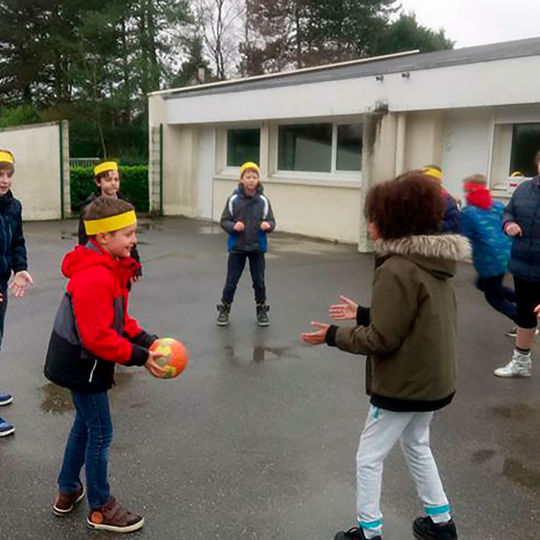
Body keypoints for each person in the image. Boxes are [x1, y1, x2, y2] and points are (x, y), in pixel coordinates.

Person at [301, 171, 468, 540]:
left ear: (392, 220)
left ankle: (369, 531)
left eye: (373, 216)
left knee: (369, 456)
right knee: (417, 445)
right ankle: (441, 523)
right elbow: (414, 318)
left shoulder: (396, 267)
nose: (369, 224)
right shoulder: (432, 264)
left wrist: (332, 335)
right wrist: (362, 313)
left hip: (404, 384)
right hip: (433, 380)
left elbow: (383, 338)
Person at [44, 197, 165, 533]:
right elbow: (97, 338)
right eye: (127, 233)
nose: (134, 239)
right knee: (100, 432)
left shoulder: (111, 266)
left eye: (134, 232)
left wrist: (148, 340)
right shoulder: (94, 276)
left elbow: (120, 320)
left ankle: (68, 489)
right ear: (102, 238)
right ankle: (101, 507)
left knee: (85, 426)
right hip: (83, 364)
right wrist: (141, 358)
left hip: (81, 361)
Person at [495, 150, 540, 378]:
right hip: (523, 266)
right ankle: (521, 363)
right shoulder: (524, 189)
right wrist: (509, 223)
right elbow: (507, 212)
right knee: (525, 316)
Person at [216, 161, 275, 327]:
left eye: (254, 177)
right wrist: (233, 227)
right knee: (231, 280)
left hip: (257, 247)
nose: (251, 180)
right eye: (248, 177)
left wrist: (268, 226)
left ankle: (262, 310)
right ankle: (224, 309)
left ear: (258, 179)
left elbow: (271, 221)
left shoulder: (263, 201)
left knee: (259, 281)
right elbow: (224, 220)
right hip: (238, 248)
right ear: (241, 179)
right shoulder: (233, 200)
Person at [0, 149, 34, 438]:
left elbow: (16, 242)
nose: (4, 179)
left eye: (8, 174)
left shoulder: (14, 207)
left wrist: (20, 268)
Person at [460, 174, 515, 327]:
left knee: (495, 298)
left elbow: (463, 237)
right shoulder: (497, 205)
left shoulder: (468, 212)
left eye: (465, 190)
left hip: (488, 260)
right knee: (483, 284)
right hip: (505, 254)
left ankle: (524, 320)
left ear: (470, 191)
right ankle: (526, 301)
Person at [78, 161, 141, 280]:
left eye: (116, 180)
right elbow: (84, 238)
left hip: (121, 261)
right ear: (98, 182)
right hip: (99, 260)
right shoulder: (89, 208)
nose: (113, 184)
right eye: (108, 180)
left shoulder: (125, 204)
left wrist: (135, 264)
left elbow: (129, 237)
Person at [421, 165, 461, 233]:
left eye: (430, 179)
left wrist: (432, 225)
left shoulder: (447, 200)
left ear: (438, 181)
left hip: (436, 240)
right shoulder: (413, 196)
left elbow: (454, 223)